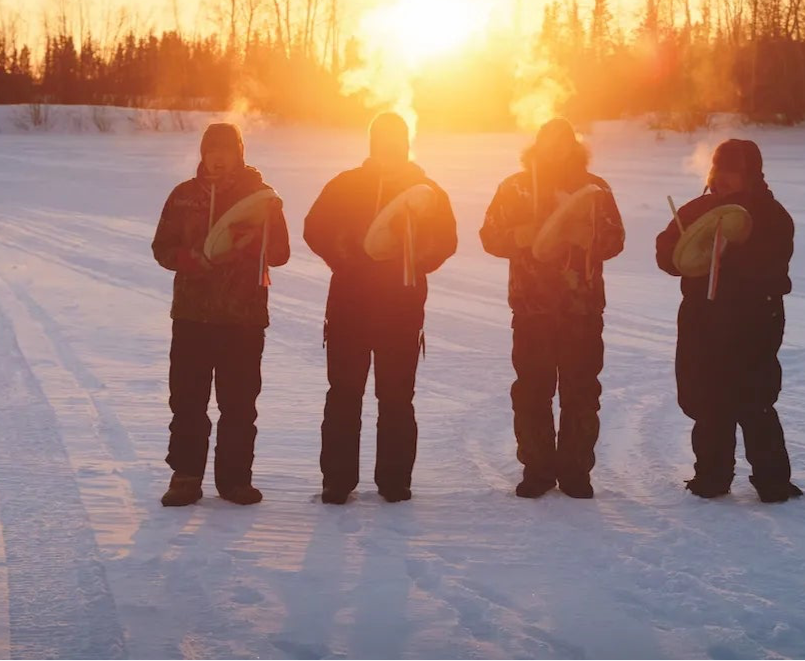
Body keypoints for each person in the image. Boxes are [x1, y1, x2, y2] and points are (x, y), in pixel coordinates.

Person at [303, 112, 457, 504]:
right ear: (372, 144)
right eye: (382, 143)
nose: (389, 150)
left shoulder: (426, 191)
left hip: (401, 311)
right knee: (343, 394)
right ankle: (337, 480)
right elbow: (314, 228)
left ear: (405, 145)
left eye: (396, 143)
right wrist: (345, 253)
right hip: (349, 308)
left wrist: (416, 257)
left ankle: (394, 480)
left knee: (396, 398)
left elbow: (446, 240)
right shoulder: (347, 185)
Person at [480, 118, 625, 499]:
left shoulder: (594, 190)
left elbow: (616, 238)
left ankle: (576, 471)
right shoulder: (515, 188)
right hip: (532, 307)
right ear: (538, 145)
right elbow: (489, 236)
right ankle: (538, 469)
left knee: (581, 389)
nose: (556, 150)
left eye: (563, 143)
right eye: (549, 143)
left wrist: (590, 238)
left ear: (573, 147)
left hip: (582, 308)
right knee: (532, 390)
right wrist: (516, 236)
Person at [655, 138, 802, 503]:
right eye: (718, 171)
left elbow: (774, 261)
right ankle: (711, 475)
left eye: (732, 173)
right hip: (703, 315)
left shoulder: (770, 214)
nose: (722, 179)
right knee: (707, 396)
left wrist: (731, 253)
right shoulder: (699, 208)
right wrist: (687, 253)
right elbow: (665, 251)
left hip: (754, 316)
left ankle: (772, 481)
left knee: (754, 398)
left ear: (750, 175)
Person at [151, 121, 290, 507]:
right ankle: (186, 476)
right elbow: (162, 247)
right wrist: (190, 260)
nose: (217, 158)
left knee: (239, 403)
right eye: (211, 150)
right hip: (192, 317)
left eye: (225, 151)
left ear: (239, 153)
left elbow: (280, 254)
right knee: (188, 400)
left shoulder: (261, 199)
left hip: (243, 319)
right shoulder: (183, 196)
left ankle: (234, 480)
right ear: (203, 153)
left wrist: (254, 239)